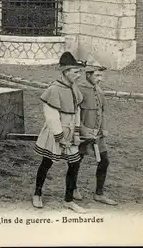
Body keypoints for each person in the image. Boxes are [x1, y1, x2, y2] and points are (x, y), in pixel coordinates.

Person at [32, 51, 87, 213]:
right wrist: (60, 137)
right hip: (56, 132)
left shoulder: (73, 89)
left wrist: (76, 133)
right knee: (47, 163)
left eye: (80, 72)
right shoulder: (54, 89)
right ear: (65, 72)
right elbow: (51, 117)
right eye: (76, 72)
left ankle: (68, 200)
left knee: (74, 164)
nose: (79, 75)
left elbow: (76, 111)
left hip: (70, 131)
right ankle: (37, 193)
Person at [75, 55, 117, 206]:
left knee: (104, 161)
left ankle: (99, 194)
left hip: (98, 135)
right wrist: (84, 130)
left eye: (101, 75)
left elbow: (102, 111)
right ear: (88, 75)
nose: (101, 79)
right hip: (82, 134)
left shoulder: (99, 90)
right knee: (75, 162)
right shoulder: (79, 89)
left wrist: (103, 128)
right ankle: (73, 189)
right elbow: (73, 114)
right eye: (97, 75)